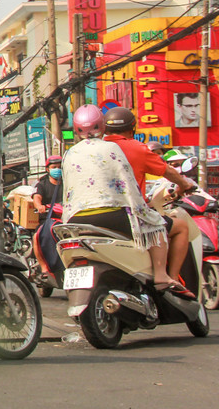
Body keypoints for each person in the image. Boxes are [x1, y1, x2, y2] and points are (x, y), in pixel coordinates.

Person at [61, 105, 183, 292]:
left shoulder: (69, 153)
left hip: (75, 218)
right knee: (157, 225)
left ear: (76, 129)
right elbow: (127, 182)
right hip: (112, 215)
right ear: (102, 125)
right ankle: (161, 275)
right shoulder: (112, 148)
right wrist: (142, 208)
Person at [103, 106, 196, 294]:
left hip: (90, 213)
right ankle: (169, 278)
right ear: (132, 128)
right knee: (179, 227)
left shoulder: (95, 148)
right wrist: (184, 184)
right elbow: (168, 171)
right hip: (127, 215)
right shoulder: (136, 148)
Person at [32, 155, 64, 274]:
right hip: (47, 220)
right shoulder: (42, 185)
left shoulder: (67, 183)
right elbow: (37, 198)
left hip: (65, 219)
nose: (57, 169)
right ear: (48, 169)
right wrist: (39, 206)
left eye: (59, 167)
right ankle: (44, 267)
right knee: (37, 237)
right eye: (54, 167)